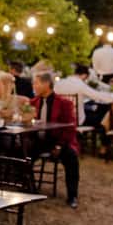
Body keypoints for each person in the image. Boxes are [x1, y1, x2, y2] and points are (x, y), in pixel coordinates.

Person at [28, 72, 80, 209]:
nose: (34, 86)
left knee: (72, 158)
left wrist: (59, 145)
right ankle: (31, 190)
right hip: (38, 141)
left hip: (57, 141)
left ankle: (72, 196)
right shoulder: (32, 103)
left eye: (36, 83)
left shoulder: (64, 103)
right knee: (21, 153)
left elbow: (70, 128)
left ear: (47, 84)